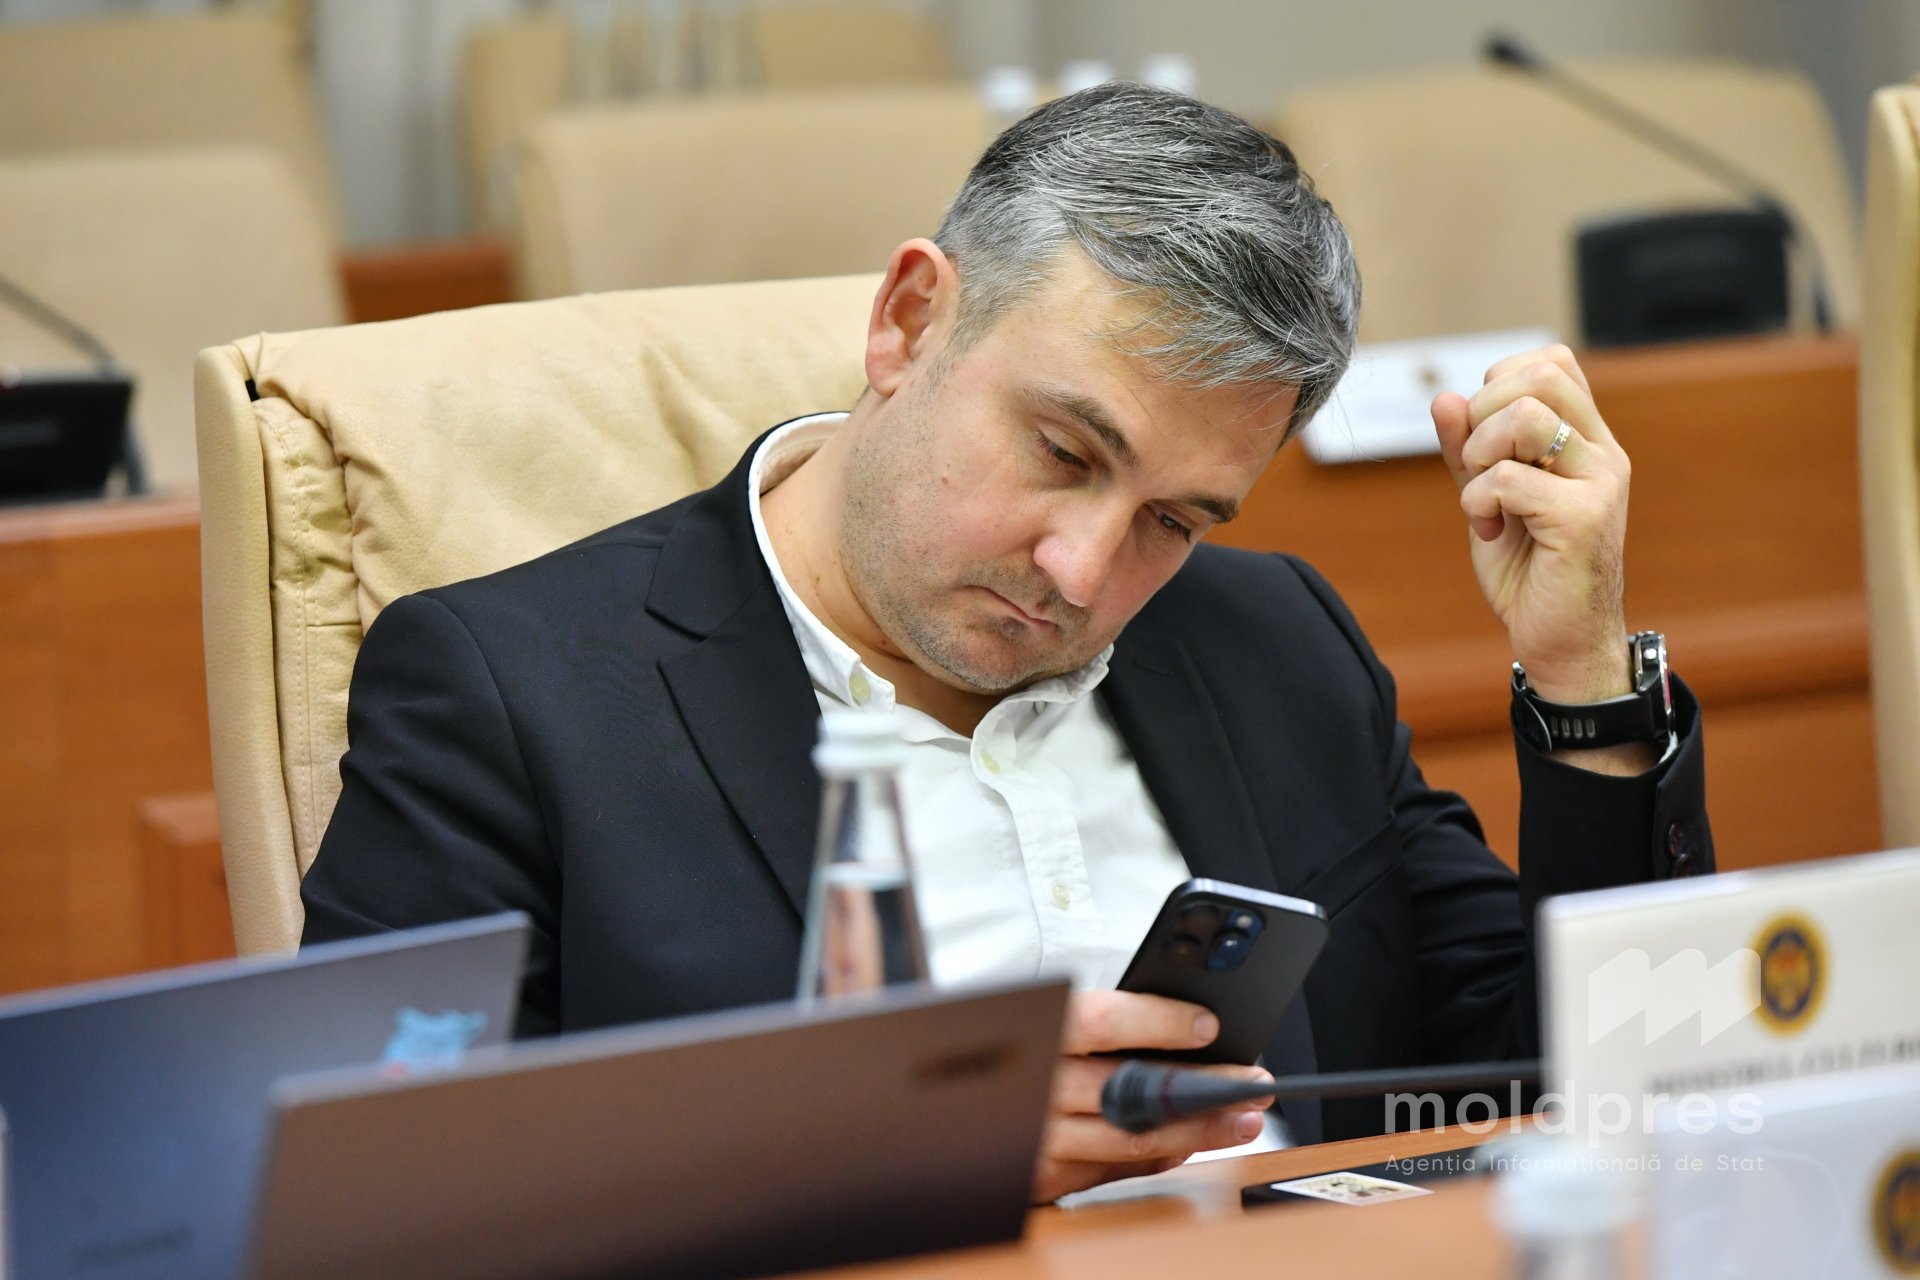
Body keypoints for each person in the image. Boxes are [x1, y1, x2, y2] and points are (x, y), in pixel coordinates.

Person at [301, 83, 1712, 1202]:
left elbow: (1567, 1090)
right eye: (1062, 451)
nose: (1083, 571)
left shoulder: (1271, 640)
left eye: (1173, 519)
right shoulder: (509, 692)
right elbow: (384, 1204)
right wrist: (888, 1155)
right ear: (910, 320)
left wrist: (1584, 681)